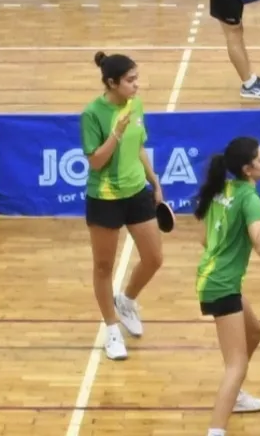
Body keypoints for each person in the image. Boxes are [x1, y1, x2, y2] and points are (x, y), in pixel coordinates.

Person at [194, 136, 260, 436]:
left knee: (254, 332)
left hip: (214, 277)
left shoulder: (223, 189)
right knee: (237, 366)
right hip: (222, 285)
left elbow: (204, 238)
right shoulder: (249, 198)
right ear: (248, 169)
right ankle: (216, 430)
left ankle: (235, 394)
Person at [79, 51, 165, 361]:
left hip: (137, 191)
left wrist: (154, 181)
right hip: (105, 198)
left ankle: (126, 301)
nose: (136, 85)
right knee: (104, 267)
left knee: (154, 258)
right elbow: (95, 161)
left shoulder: (136, 104)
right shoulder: (92, 114)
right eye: (130, 80)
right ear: (112, 83)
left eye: (136, 78)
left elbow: (139, 146)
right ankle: (112, 329)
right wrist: (116, 132)